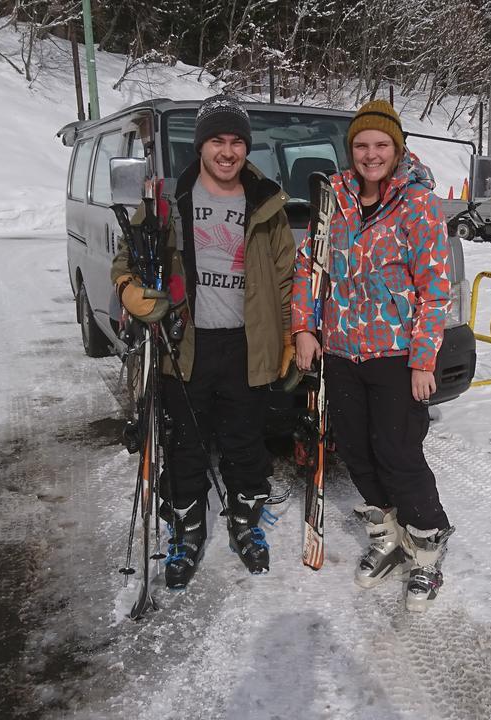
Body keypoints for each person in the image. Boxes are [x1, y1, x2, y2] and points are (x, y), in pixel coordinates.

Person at [112, 95, 297, 590]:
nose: (228, 151)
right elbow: (127, 261)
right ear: (200, 147)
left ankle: (246, 526)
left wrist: (287, 337)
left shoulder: (268, 205)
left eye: (236, 141)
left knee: (246, 445)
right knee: (185, 446)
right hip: (185, 347)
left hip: (246, 346)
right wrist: (131, 291)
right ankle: (185, 532)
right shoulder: (169, 203)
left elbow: (285, 281)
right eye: (217, 140)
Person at [291, 100, 455, 612]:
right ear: (351, 150)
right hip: (341, 353)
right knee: (357, 453)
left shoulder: (418, 205)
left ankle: (427, 551)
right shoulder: (332, 203)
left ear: (397, 148)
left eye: (381, 145)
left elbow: (435, 290)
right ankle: (385, 538)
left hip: (395, 355)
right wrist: (303, 327)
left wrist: (424, 360)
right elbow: (309, 270)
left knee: (399, 454)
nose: (370, 154)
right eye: (362, 145)